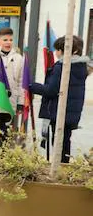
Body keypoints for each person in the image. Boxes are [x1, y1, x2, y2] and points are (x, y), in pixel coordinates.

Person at [31, 35, 87, 163]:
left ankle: (58, 167)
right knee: (65, 141)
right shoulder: (81, 66)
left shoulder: (62, 67)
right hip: (72, 112)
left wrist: (32, 86)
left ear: (64, 51)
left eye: (57, 50)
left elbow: (51, 90)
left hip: (59, 111)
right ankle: (64, 166)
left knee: (58, 142)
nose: (55, 53)